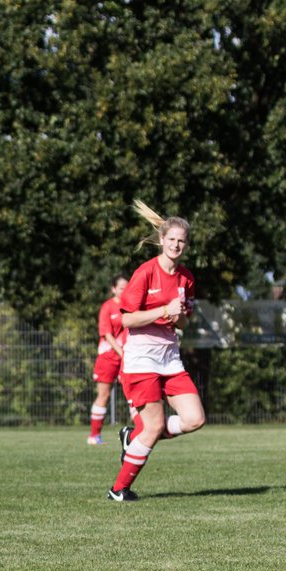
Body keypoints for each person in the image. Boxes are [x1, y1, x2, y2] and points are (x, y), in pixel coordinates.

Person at [108, 200, 205, 502]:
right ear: (162, 240)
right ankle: (118, 490)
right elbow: (125, 318)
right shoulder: (145, 272)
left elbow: (185, 322)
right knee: (153, 427)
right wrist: (163, 309)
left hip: (170, 359)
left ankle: (133, 437)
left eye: (182, 241)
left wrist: (180, 318)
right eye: (172, 239)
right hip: (141, 359)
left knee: (194, 419)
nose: (176, 245)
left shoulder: (186, 278)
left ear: (186, 245)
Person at [86, 276, 129, 444]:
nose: (124, 291)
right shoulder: (107, 307)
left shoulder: (133, 306)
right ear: (113, 289)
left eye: (127, 287)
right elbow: (106, 333)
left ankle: (144, 433)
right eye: (121, 288)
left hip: (128, 356)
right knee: (103, 394)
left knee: (134, 394)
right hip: (109, 356)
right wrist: (121, 352)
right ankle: (94, 435)